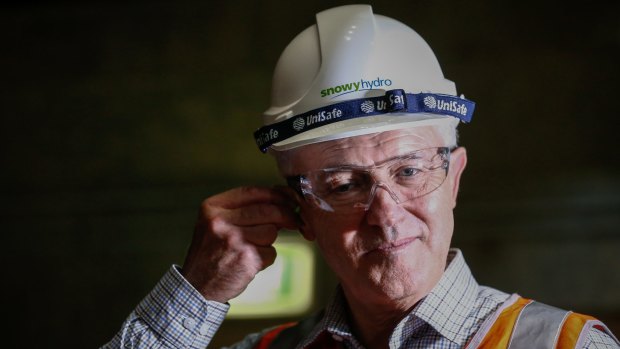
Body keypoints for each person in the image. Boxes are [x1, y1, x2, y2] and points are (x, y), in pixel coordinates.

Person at [102, 5, 619, 349]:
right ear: (300, 211)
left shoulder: (563, 344)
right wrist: (193, 296)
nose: (386, 215)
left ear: (455, 179)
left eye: (410, 170)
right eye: (344, 184)